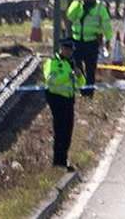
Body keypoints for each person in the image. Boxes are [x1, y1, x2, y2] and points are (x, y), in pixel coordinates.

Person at [43, 39, 85, 169]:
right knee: (60, 130)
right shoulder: (53, 62)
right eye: (66, 49)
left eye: (70, 50)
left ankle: (63, 159)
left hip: (69, 99)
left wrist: (79, 76)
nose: (68, 52)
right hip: (56, 99)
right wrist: (68, 76)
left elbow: (81, 84)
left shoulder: (71, 63)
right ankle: (58, 161)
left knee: (68, 131)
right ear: (61, 48)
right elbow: (51, 80)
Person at [66, 0, 113, 98]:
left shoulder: (99, 7)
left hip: (92, 42)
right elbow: (70, 16)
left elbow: (106, 23)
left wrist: (108, 38)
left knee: (90, 69)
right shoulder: (77, 5)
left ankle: (89, 93)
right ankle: (82, 90)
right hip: (77, 42)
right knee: (77, 67)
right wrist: (77, 2)